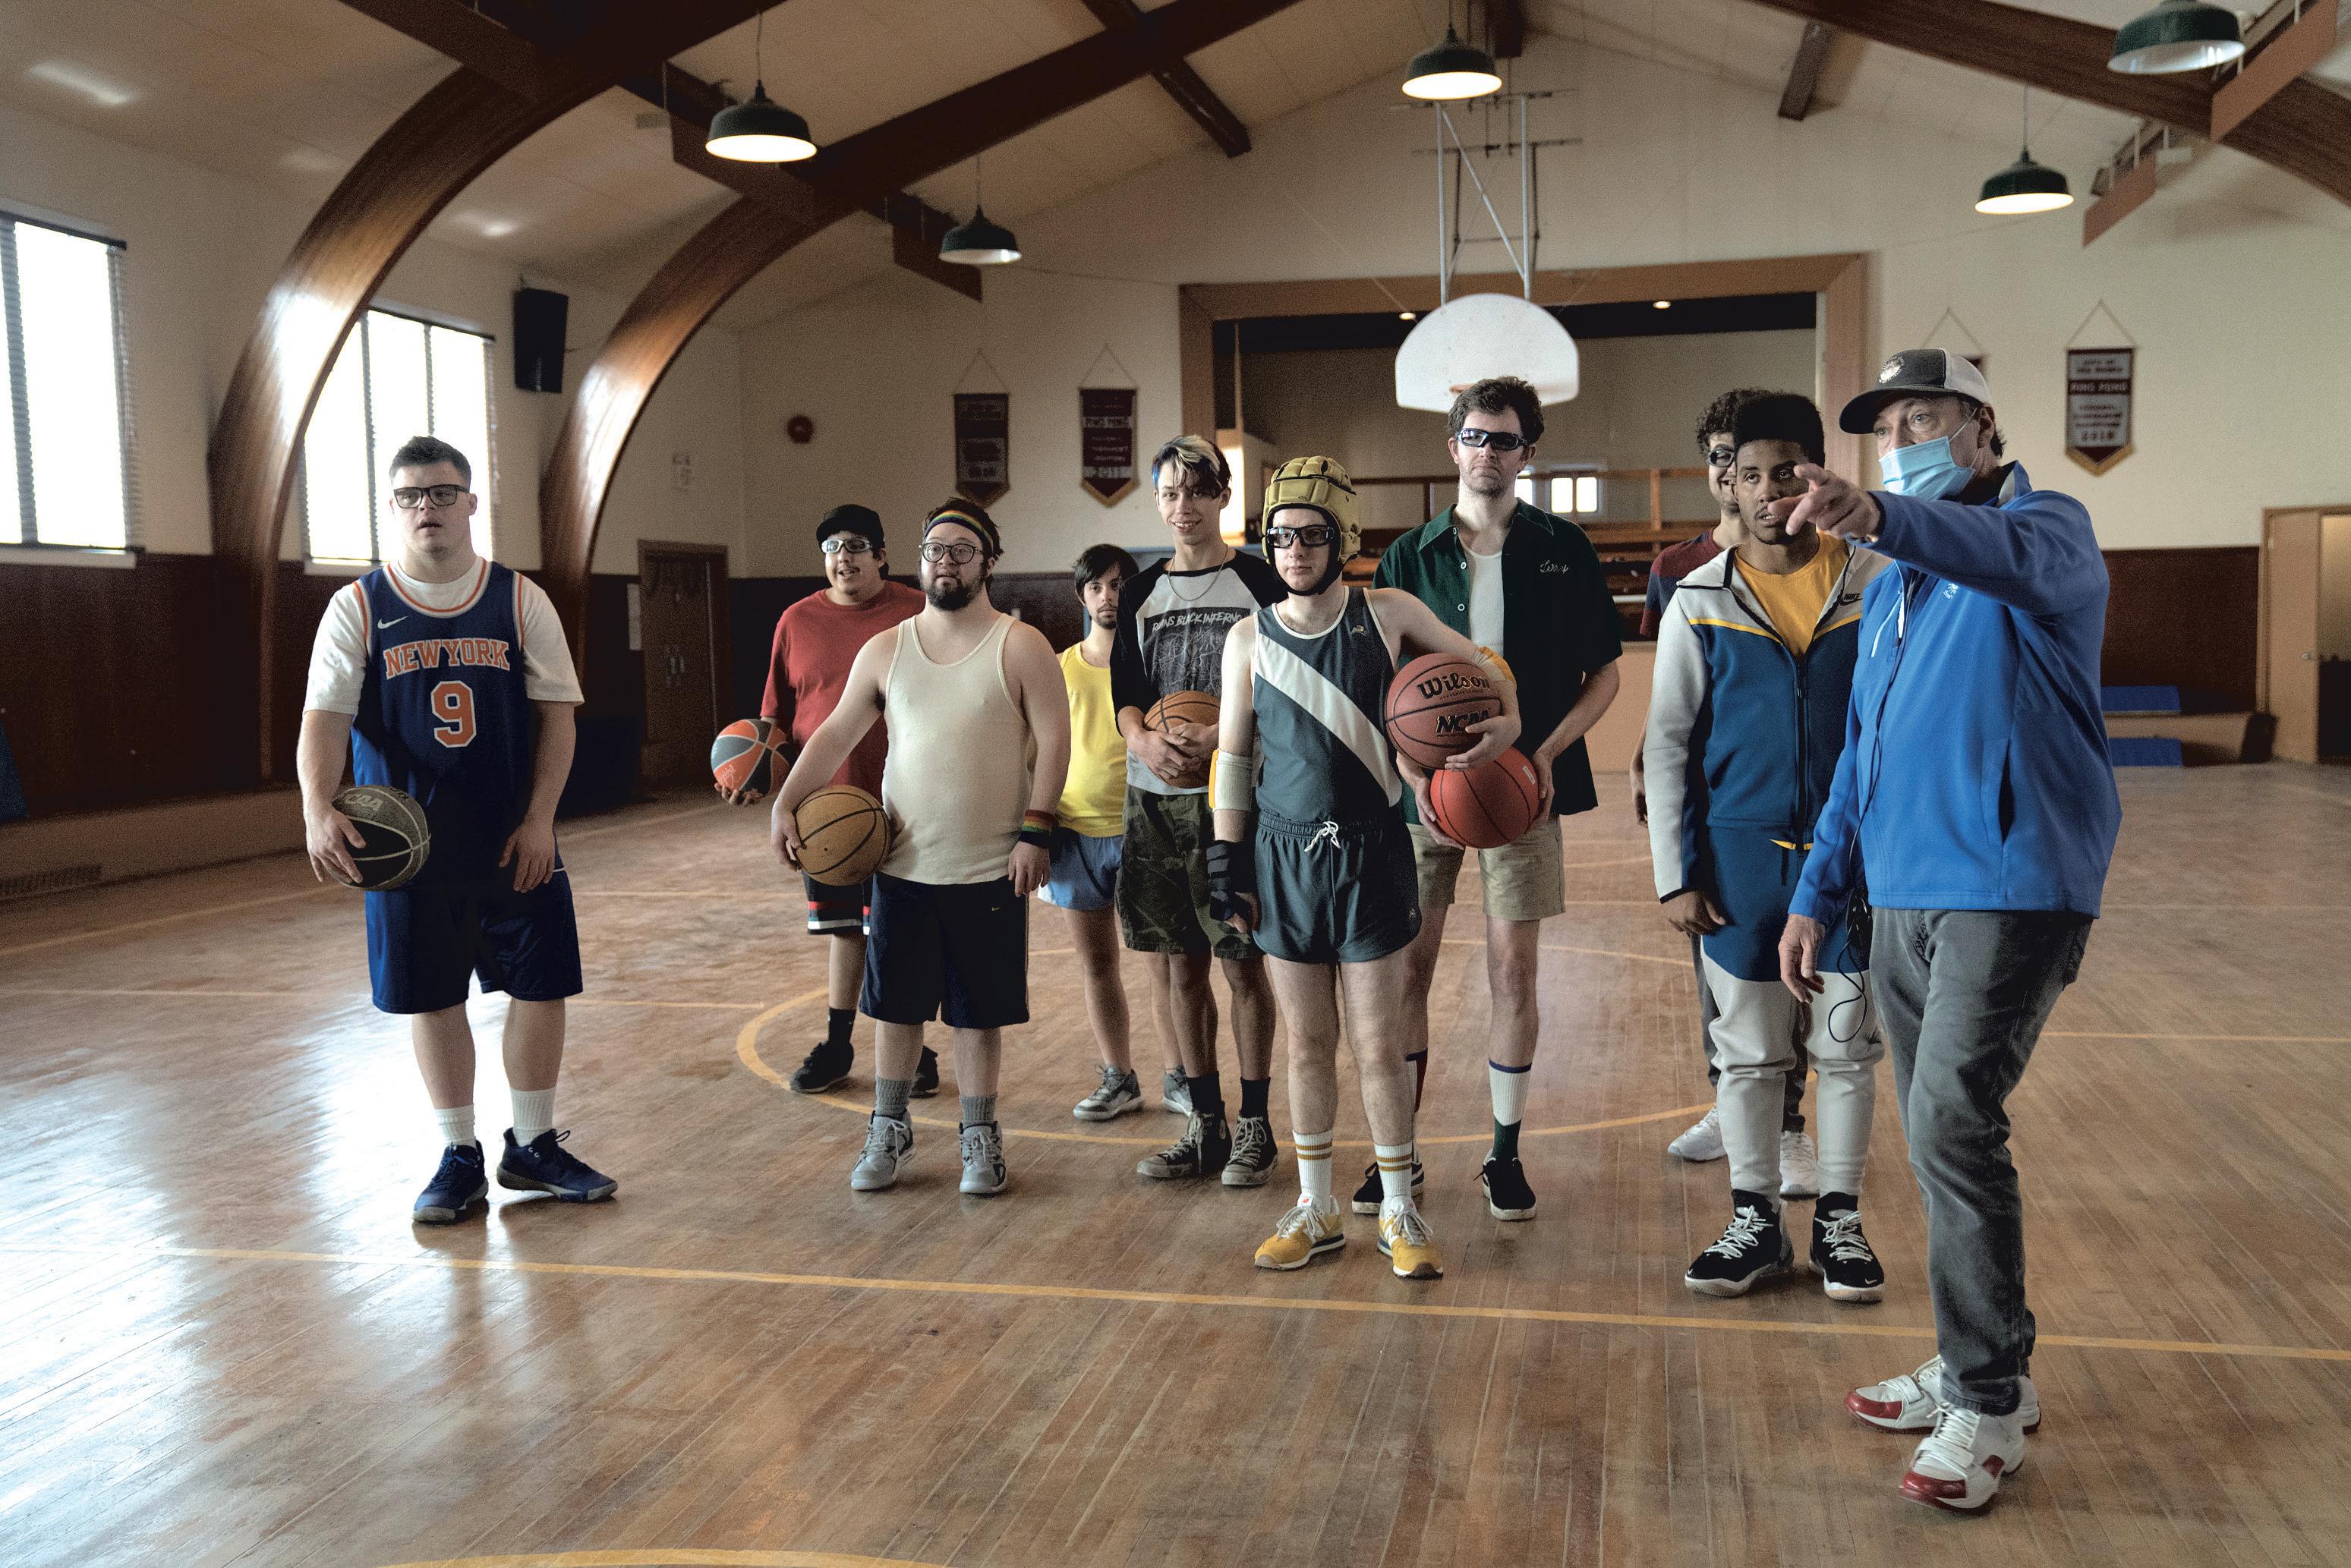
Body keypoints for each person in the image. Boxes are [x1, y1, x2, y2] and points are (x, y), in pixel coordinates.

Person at [1778, 350, 2119, 1511]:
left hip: (2013, 884)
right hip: (1901, 895)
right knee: (1938, 1143)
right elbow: (1861, 758)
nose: (1901, 443)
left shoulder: (2048, 530)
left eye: (1922, 420)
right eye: (1886, 430)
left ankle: (1986, 1394)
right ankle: (1982, 1359)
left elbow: (1999, 555)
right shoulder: (1888, 592)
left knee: (1951, 1122)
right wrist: (1818, 890)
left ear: (1980, 425)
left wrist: (1880, 515)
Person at [1213, 456, 1519, 1281]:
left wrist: (1510, 718)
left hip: (1372, 853)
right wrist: (1223, 857)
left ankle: (1397, 1205)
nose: (1295, 549)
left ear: (1340, 537)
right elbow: (1233, 758)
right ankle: (1314, 1207)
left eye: (1311, 535)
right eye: (1281, 536)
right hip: (1282, 858)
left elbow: (1485, 668)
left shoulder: (1387, 613)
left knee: (1380, 1045)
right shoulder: (1247, 637)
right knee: (1308, 1044)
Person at [298, 435, 613, 1223]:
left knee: (541, 986)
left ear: (471, 502)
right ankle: (458, 1154)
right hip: (406, 850)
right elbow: (323, 719)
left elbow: (559, 718)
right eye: (410, 495)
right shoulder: (359, 606)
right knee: (431, 996)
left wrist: (541, 820)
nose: (426, 508)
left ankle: (532, 1144)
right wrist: (316, 806)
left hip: (511, 836)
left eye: (442, 493)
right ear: (393, 506)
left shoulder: (518, 598)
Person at [1642, 394, 1890, 1302]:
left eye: (1784, 470)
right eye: (1747, 474)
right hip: (1738, 859)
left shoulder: (1873, 580)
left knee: (1845, 1047)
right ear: (1729, 484)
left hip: (1852, 856)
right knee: (1747, 1050)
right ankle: (1755, 1218)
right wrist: (1675, 873)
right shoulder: (1698, 598)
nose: (1766, 490)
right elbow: (1667, 742)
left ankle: (1839, 1221)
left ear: (1816, 475)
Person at [1374, 376, 1620, 1223]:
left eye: (1505, 439)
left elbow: (1604, 673)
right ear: (1453, 447)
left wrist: (1544, 753)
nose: (1488, 451)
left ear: (1527, 453)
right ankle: (1396, 1155)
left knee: (1513, 970)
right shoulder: (1408, 556)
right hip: (1424, 794)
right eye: (1475, 436)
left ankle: (1503, 1153)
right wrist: (1408, 771)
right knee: (1407, 967)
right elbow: (1381, 685)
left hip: (1521, 790)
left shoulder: (1563, 547)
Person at [771, 499, 1070, 1197]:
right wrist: (786, 802)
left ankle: (979, 1134)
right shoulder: (887, 649)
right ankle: (888, 1126)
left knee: (977, 1015)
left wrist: (1037, 829)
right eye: (935, 549)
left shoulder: (1020, 644)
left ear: (988, 562)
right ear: (920, 559)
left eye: (962, 550)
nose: (946, 561)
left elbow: (1057, 740)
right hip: (902, 863)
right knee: (895, 1009)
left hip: (990, 864)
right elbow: (835, 734)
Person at [1637, 389, 1816, 1185]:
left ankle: (1788, 1119)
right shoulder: (1677, 571)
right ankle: (1732, 1097)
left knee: (1802, 976)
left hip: (1793, 804)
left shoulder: (1831, 567)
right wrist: (1649, 773)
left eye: (1740, 461)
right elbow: (1672, 699)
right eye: (1719, 460)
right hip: (1717, 811)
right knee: (1724, 972)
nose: (1730, 475)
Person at [1111, 436, 1287, 1188]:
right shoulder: (1139, 591)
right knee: (1178, 966)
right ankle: (1204, 1122)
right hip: (1153, 799)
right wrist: (1143, 740)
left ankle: (1255, 1124)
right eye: (1169, 493)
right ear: (1158, 502)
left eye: (1196, 491)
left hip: (1234, 802)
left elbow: (1282, 679)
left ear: (1222, 496)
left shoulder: (1260, 580)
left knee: (1242, 964)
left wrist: (1222, 736)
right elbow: (1124, 694)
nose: (1182, 506)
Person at [721, 503, 931, 1098]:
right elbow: (774, 719)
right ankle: (839, 1045)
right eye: (833, 547)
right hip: (826, 809)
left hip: (906, 800)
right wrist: (754, 776)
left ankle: (916, 1051)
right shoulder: (796, 620)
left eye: (857, 546)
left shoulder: (917, 613)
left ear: (881, 555)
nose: (844, 557)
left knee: (902, 931)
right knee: (845, 931)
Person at [1048, 543, 1181, 1119]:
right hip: (1074, 832)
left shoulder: (1151, 662)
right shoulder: (1059, 667)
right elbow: (1037, 748)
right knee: (1097, 965)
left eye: (1119, 584)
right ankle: (1118, 1076)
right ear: (1082, 596)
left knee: (1163, 964)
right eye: (1096, 586)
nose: (1108, 596)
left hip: (1142, 827)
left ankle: (1180, 1076)